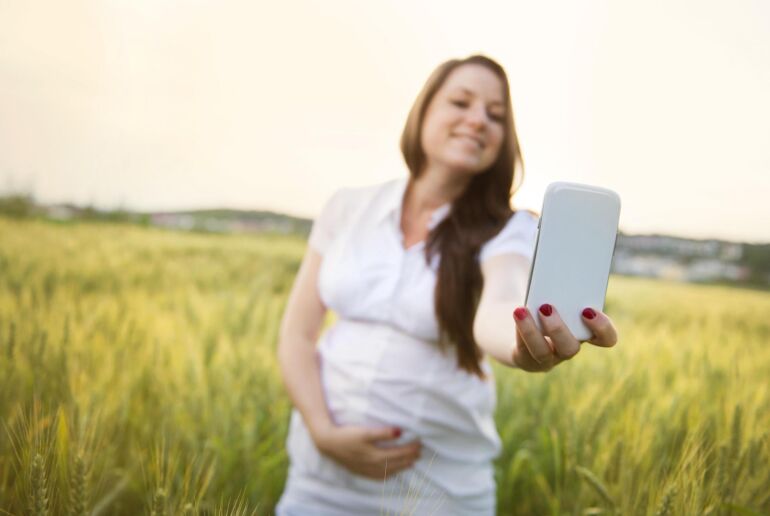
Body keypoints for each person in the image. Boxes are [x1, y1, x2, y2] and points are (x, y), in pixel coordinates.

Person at [274, 54, 618, 515]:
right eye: (461, 102)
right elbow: (297, 334)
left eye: (496, 115)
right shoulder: (346, 208)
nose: (478, 120)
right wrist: (322, 431)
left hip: (436, 496)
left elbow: (500, 302)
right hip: (318, 485)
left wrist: (521, 344)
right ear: (423, 112)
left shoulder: (508, 229)